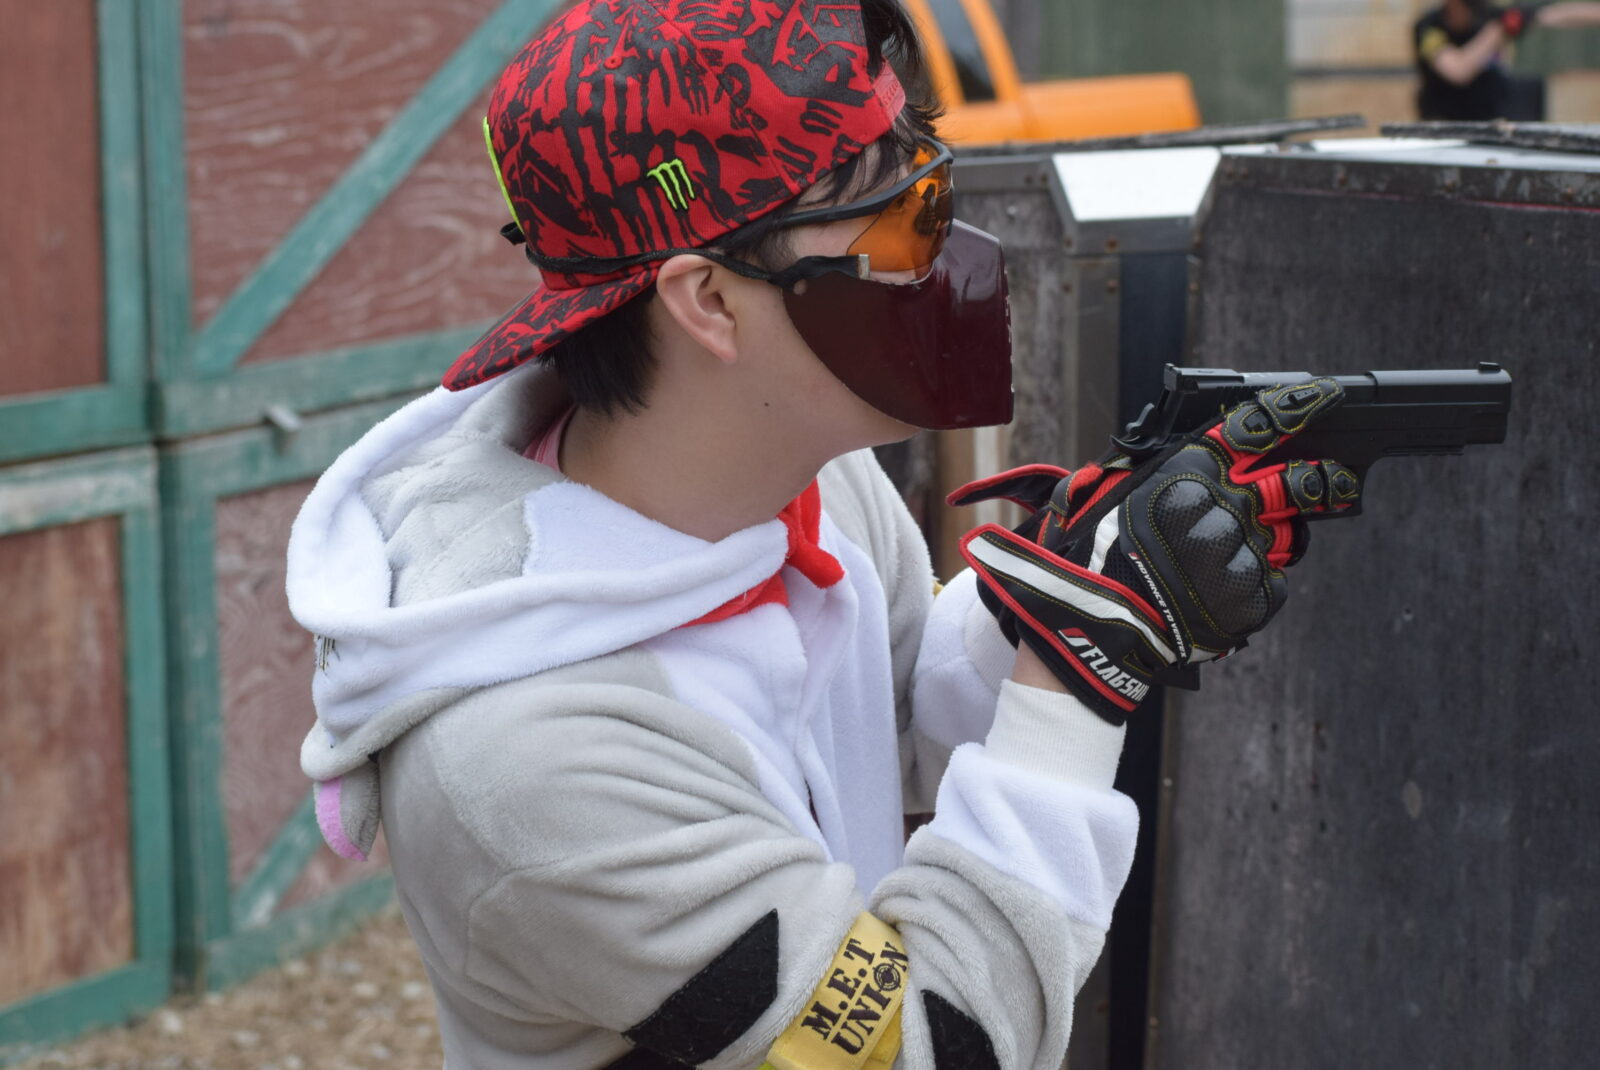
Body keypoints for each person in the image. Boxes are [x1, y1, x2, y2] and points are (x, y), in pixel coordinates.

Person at [287, 1, 1360, 1066]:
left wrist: (1066, 572)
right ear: (711, 300)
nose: (938, 254)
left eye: (932, 186)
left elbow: (896, 722)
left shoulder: (801, 474)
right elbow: (938, 1044)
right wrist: (1085, 662)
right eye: (902, 218)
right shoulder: (534, 761)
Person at [1414, 0, 1600, 120]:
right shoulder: (1429, 28)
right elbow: (1459, 71)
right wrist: (1498, 30)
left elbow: (1556, 15)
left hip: (1490, 120)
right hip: (1444, 124)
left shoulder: (1487, 15)